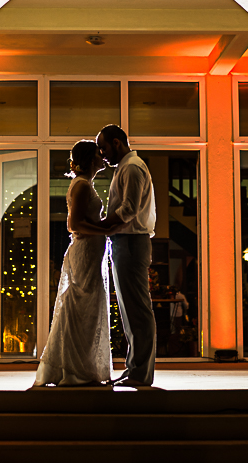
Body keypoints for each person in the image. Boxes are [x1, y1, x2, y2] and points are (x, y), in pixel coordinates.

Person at [33, 140, 113, 387]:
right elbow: (73, 224)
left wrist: (103, 227)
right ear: (91, 160)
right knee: (81, 308)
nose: (103, 159)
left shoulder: (85, 184)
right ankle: (75, 368)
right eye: (99, 155)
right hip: (85, 252)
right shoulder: (80, 186)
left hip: (91, 253)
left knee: (87, 308)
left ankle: (81, 366)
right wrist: (106, 231)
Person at [96, 124, 157, 388]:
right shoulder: (126, 167)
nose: (102, 153)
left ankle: (140, 373)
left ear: (117, 143)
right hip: (126, 241)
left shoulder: (131, 167)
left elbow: (129, 209)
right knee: (129, 309)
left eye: (104, 147)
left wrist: (102, 226)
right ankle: (135, 368)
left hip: (131, 241)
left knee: (137, 309)